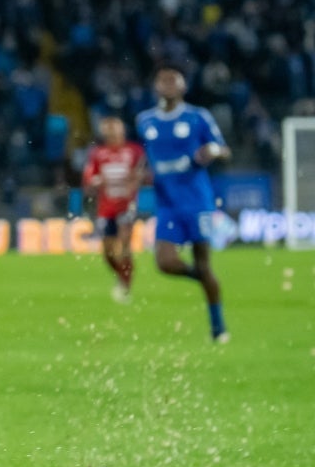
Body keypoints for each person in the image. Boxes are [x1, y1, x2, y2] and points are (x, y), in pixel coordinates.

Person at [136, 68, 230, 341]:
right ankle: (200, 277)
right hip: (166, 203)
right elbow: (147, 156)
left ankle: (218, 326)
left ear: (183, 86)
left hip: (197, 201)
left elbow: (223, 149)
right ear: (155, 86)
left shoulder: (198, 117)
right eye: (162, 79)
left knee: (204, 260)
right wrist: (142, 173)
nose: (167, 84)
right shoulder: (145, 120)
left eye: (173, 79)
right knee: (164, 263)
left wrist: (212, 151)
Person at [80, 115, 146, 304]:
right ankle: (122, 277)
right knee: (108, 253)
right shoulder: (98, 153)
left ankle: (126, 286)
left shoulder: (134, 151)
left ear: (122, 130)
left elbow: (141, 174)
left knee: (124, 246)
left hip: (127, 205)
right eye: (108, 129)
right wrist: (95, 182)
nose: (112, 132)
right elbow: (89, 180)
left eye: (115, 128)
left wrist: (133, 184)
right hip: (106, 208)